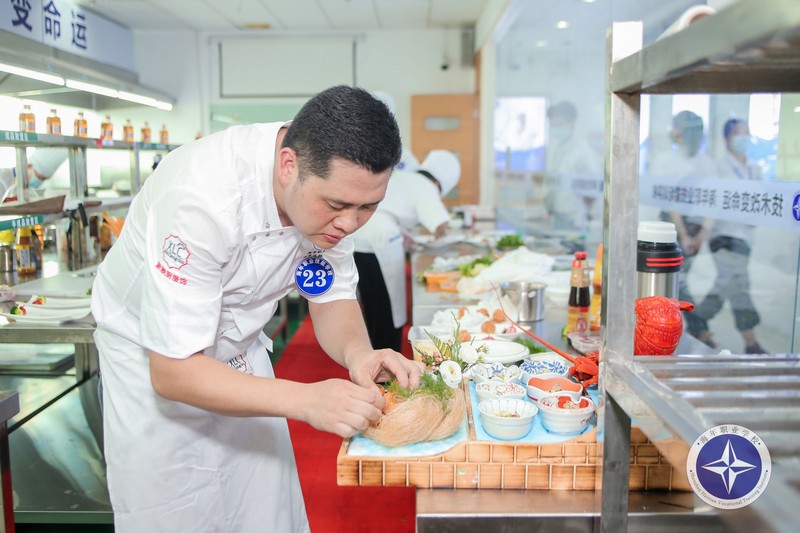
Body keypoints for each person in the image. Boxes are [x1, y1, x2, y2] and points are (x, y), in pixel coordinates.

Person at [90, 85, 425, 532]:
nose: (349, 223)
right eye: (337, 205)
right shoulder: (200, 198)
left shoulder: (331, 200)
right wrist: (306, 399)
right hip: (151, 360)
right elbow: (172, 371)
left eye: (368, 207)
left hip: (238, 350)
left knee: (263, 507)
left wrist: (359, 354)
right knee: (180, 512)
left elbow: (330, 295)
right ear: (288, 166)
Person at [352, 150, 461, 351]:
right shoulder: (425, 185)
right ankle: (386, 355)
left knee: (373, 303)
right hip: (380, 241)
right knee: (386, 307)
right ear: (439, 183)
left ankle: (376, 350)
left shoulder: (405, 177)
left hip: (360, 236)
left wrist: (402, 233)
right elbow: (441, 227)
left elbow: (388, 210)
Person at [694, 118, 766, 354]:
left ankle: (698, 320)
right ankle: (751, 342)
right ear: (727, 138)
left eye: (747, 133)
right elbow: (712, 202)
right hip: (722, 235)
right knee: (738, 281)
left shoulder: (755, 168)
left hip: (745, 236)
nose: (744, 138)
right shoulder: (718, 168)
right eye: (738, 133)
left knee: (731, 282)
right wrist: (703, 232)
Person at [650, 110, 719, 347]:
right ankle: (690, 329)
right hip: (672, 227)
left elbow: (713, 200)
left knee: (676, 282)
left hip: (690, 228)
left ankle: (682, 330)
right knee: (676, 281)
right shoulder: (668, 161)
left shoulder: (704, 164)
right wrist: (688, 234)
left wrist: (700, 234)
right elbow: (670, 202)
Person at [542, 101, 601, 234]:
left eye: (559, 124)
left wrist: (586, 215)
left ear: (571, 124)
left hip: (574, 220)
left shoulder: (582, 152)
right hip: (556, 216)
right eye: (553, 125)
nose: (555, 128)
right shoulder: (556, 149)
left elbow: (593, 190)